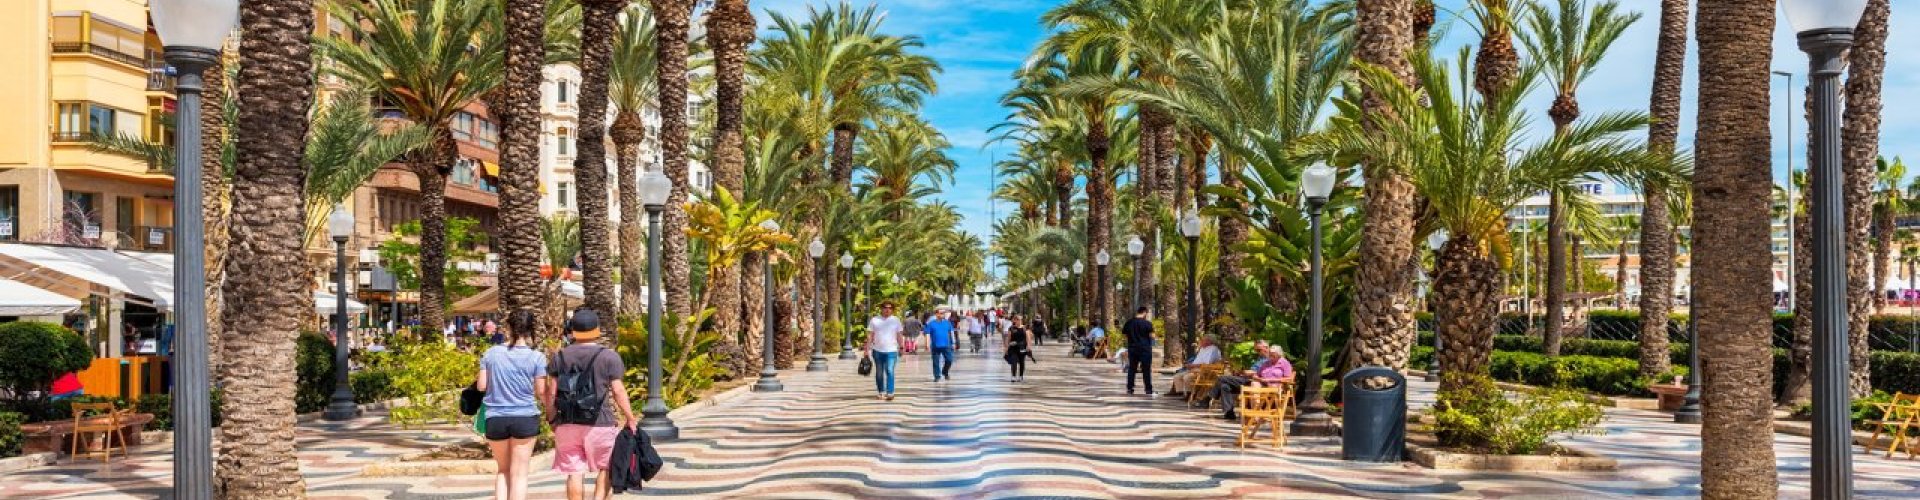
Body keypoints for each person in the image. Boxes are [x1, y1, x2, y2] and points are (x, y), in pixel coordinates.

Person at [543, 310, 637, 500]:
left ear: (573, 331)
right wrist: (630, 417)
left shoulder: (559, 357)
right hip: (600, 422)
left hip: (567, 422)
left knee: (574, 472)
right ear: (597, 330)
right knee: (606, 467)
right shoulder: (609, 357)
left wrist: (552, 418)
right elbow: (618, 391)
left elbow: (551, 392)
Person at [478, 310, 548, 500]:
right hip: (525, 416)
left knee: (503, 470)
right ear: (530, 330)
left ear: (508, 328)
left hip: (495, 417)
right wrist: (551, 411)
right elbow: (541, 391)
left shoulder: (491, 353)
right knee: (520, 474)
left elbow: (481, 386)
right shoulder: (537, 357)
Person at [1209, 346, 1294, 420]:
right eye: (1270, 354)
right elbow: (1257, 374)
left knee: (1222, 378)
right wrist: (1258, 378)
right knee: (1224, 386)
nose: (1270, 356)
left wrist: (1269, 380)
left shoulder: (1284, 363)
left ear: (1279, 354)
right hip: (1259, 382)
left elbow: (1288, 379)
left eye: (1273, 354)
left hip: (1273, 386)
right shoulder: (1266, 363)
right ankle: (1229, 413)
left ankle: (1255, 414)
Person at [865, 302, 905, 401]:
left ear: (892, 309)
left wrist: (901, 347)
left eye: (890, 308)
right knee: (879, 372)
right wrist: (866, 349)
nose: (888, 310)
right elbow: (870, 335)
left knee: (890, 370)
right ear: (881, 309)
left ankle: (890, 392)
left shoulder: (895, 320)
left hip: (891, 350)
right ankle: (881, 391)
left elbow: (899, 335)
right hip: (877, 350)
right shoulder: (875, 320)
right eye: (885, 308)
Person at [1121, 307, 1156, 395]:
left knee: (1132, 369)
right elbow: (1152, 336)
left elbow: (1125, 336)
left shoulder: (1129, 323)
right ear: (1144, 313)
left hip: (1133, 348)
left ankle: (1130, 388)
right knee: (1146, 369)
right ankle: (1148, 389)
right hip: (1145, 349)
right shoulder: (1147, 323)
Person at [924, 310, 958, 382]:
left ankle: (945, 371)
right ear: (936, 314)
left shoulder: (947, 323)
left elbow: (951, 332)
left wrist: (954, 343)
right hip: (935, 346)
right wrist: (927, 344)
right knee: (935, 362)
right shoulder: (931, 324)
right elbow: (927, 334)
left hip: (946, 345)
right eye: (941, 313)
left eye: (943, 313)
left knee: (949, 360)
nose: (943, 315)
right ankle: (937, 376)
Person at [1005, 315, 1036, 382]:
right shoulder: (1011, 328)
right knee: (1014, 362)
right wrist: (1007, 347)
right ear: (1014, 320)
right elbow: (1008, 339)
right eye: (1017, 320)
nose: (1019, 321)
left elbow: (1028, 338)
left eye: (1020, 320)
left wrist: (1028, 346)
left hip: (1022, 348)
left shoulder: (1025, 328)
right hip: (1013, 348)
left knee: (1022, 362)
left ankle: (1021, 376)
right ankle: (1013, 376)